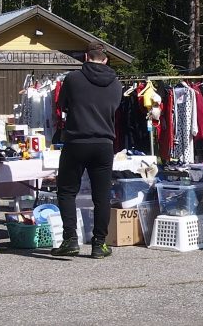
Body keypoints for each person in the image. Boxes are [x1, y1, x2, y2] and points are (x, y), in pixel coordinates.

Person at [51, 42, 122, 258]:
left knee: (66, 191)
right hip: (104, 144)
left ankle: (70, 240)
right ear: (106, 59)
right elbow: (115, 108)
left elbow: (61, 106)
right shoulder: (116, 84)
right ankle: (99, 244)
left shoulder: (72, 79)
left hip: (76, 142)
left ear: (85, 56)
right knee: (101, 196)